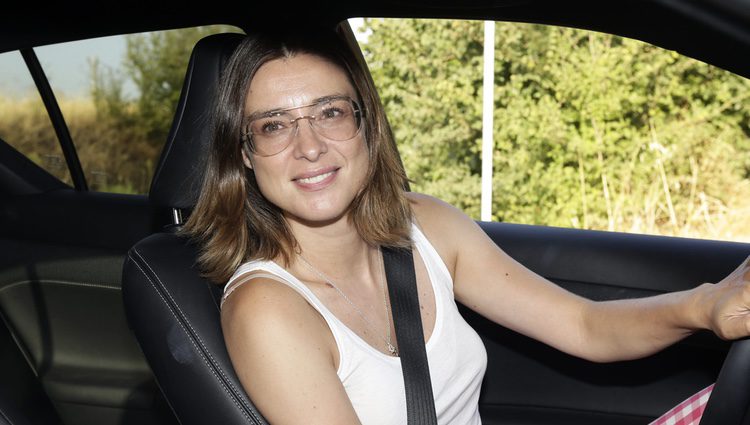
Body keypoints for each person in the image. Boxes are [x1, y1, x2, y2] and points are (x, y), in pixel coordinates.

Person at [183, 29, 750, 425]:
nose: (309, 147)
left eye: (330, 112)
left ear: (366, 127)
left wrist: (704, 306)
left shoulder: (426, 225)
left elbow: (584, 325)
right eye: (274, 126)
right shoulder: (268, 308)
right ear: (246, 154)